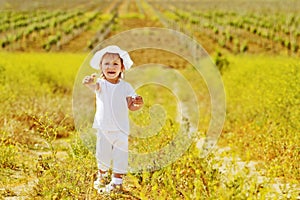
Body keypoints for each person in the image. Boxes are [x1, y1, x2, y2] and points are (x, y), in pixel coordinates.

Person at [82, 45, 144, 193]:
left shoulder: (126, 87)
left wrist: (138, 104)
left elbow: (131, 105)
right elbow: (92, 86)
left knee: (120, 154)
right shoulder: (100, 84)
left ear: (122, 68)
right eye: (107, 64)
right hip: (103, 127)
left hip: (121, 128)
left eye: (115, 63)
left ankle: (117, 182)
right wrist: (88, 82)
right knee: (102, 153)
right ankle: (101, 177)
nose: (111, 66)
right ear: (101, 67)